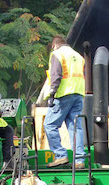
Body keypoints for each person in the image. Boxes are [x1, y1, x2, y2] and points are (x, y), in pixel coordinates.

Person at [38, 36, 86, 168]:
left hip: (63, 94)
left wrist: (52, 93)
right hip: (78, 94)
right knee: (75, 127)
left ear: (55, 45)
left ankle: (60, 155)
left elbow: (56, 75)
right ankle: (79, 160)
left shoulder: (57, 54)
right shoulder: (79, 56)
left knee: (49, 125)